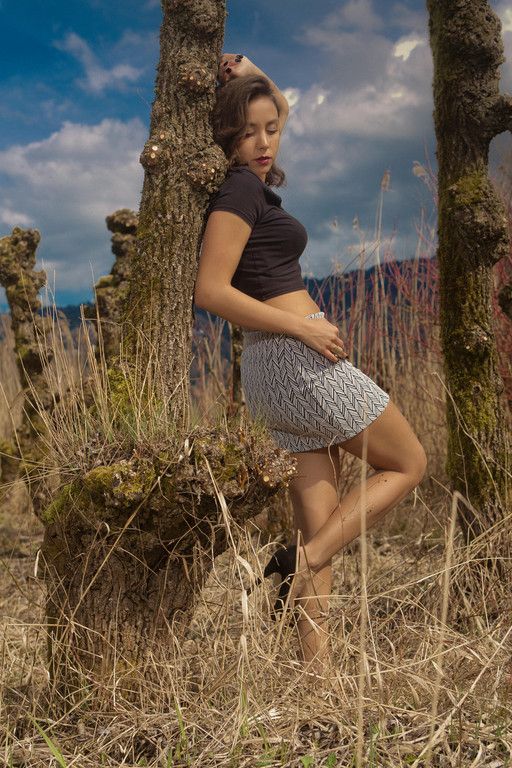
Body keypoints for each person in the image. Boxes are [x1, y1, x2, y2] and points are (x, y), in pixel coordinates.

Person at [194, 53, 427, 676]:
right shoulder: (240, 188)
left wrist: (253, 70)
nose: (264, 142)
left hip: (272, 371)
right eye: (248, 132)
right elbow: (210, 291)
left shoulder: (248, 183)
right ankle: (301, 565)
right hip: (298, 361)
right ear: (226, 135)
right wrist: (304, 326)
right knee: (408, 462)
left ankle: (316, 679)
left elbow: (280, 107)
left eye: (270, 129)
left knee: (317, 522)